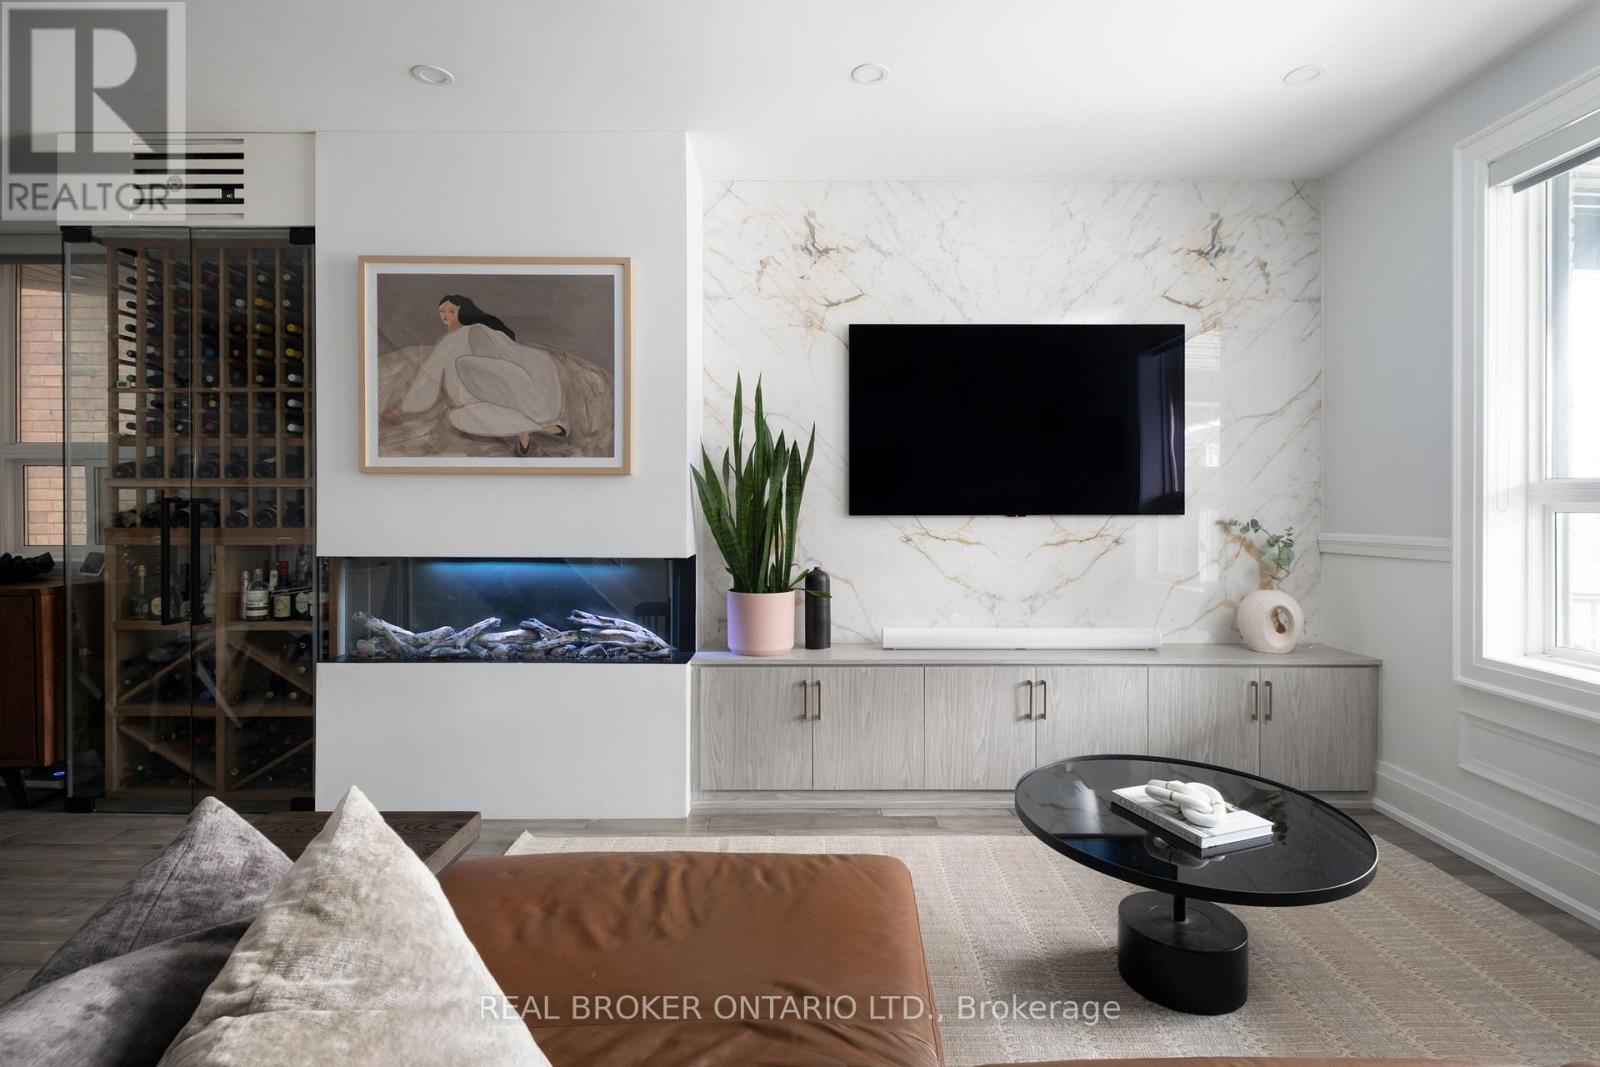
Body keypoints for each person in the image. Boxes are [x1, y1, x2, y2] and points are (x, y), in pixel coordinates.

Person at [397, 295, 567, 454]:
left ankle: (528, 428)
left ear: (461, 311)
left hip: (484, 391)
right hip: (466, 402)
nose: (445, 316)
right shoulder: (444, 341)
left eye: (450, 311)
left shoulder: (476, 330)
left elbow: (501, 353)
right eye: (442, 312)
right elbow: (429, 373)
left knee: (473, 397)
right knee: (458, 418)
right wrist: (406, 408)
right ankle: (539, 428)